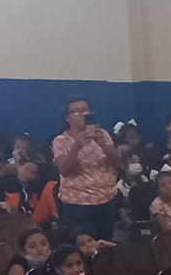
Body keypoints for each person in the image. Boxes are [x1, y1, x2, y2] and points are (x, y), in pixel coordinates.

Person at [51, 97, 120, 241]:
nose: (82, 115)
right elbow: (65, 171)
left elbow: (116, 162)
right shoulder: (60, 141)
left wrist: (103, 145)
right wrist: (77, 146)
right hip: (78, 203)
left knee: (106, 242)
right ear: (67, 118)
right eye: (76, 112)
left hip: (106, 199)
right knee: (85, 244)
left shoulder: (103, 134)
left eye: (85, 111)